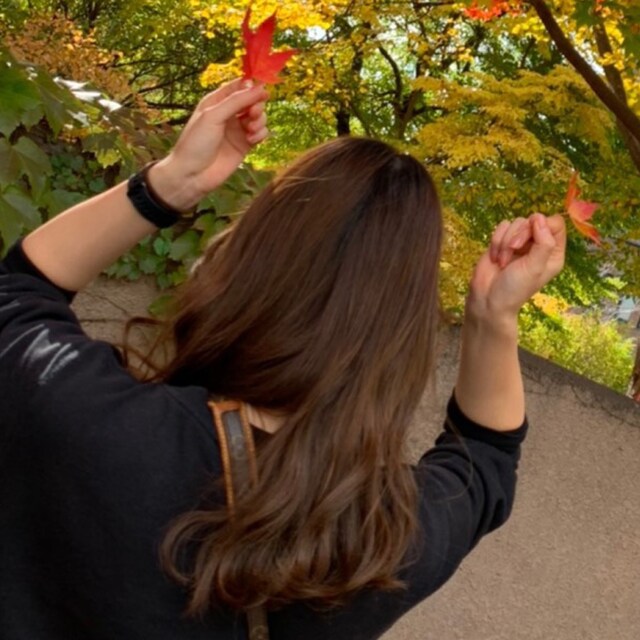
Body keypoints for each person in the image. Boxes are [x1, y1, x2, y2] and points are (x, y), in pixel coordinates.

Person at [0, 79, 566, 639]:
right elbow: (487, 462)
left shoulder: (85, 415)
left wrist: (171, 183)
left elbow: (18, 291)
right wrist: (492, 316)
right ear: (402, 337)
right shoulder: (387, 540)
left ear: (244, 261)